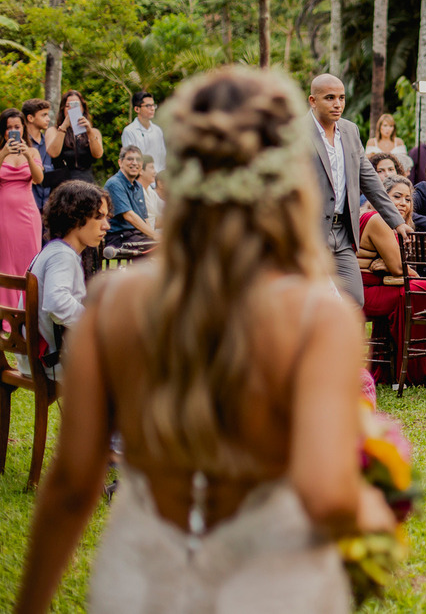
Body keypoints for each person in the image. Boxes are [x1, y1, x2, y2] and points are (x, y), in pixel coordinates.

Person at [14, 66, 394, 614]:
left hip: (148, 575)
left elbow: (73, 485)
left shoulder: (114, 305)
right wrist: (382, 506)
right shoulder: (322, 315)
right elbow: (327, 494)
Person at [307, 74, 409, 307]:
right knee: (316, 302)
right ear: (313, 100)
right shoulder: (296, 132)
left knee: (354, 301)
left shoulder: (350, 131)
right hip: (310, 233)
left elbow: (370, 180)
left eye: (342, 98)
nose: (338, 104)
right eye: (330, 98)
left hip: (342, 233)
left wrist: (397, 221)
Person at [14, 181, 110, 380]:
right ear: (75, 218)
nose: (106, 225)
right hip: (52, 363)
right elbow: (57, 304)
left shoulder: (53, 250)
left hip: (36, 358)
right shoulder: (62, 256)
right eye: (99, 217)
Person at [357, 174, 426, 385]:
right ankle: (414, 370)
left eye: (407, 199)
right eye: (397, 197)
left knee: (421, 287)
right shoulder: (378, 219)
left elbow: (394, 267)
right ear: (381, 197)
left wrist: (388, 266)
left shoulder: (383, 220)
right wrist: (397, 268)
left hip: (374, 286)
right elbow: (398, 268)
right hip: (363, 292)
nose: (403, 203)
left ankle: (395, 365)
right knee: (424, 287)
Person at [1, 108, 44, 309]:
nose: (13, 131)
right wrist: (3, 154)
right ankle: (7, 312)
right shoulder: (1, 152)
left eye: (16, 127)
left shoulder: (33, 151)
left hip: (28, 214)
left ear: (23, 128)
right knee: (6, 262)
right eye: (8, 128)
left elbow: (38, 179)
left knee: (29, 260)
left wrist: (27, 156)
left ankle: (29, 309)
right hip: (4, 215)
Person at [43, 89, 104, 191]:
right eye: (68, 106)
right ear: (63, 109)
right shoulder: (53, 131)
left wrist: (89, 131)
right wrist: (64, 127)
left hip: (86, 184)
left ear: (83, 108)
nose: (72, 109)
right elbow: (53, 153)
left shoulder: (94, 132)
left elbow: (98, 154)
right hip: (62, 186)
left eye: (76, 105)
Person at [103, 146, 159, 249]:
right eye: (130, 159)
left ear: (141, 165)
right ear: (120, 163)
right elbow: (129, 216)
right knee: (160, 249)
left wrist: (152, 236)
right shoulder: (114, 184)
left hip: (136, 236)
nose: (134, 163)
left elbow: (145, 219)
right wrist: (155, 236)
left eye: (138, 160)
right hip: (119, 237)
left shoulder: (138, 186)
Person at [121, 90, 167, 171]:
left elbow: (163, 158)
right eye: (148, 106)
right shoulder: (129, 131)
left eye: (153, 105)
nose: (152, 109)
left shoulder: (157, 130)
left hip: (158, 179)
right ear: (137, 109)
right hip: (140, 179)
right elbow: (131, 161)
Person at [22, 98, 53, 210]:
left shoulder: (49, 143)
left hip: (47, 203)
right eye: (43, 115)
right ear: (30, 118)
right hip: (27, 203)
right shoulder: (21, 145)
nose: (48, 119)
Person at [139, 155, 164, 230]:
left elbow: (157, 220)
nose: (155, 172)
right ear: (141, 170)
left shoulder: (151, 192)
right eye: (151, 167)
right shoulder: (135, 192)